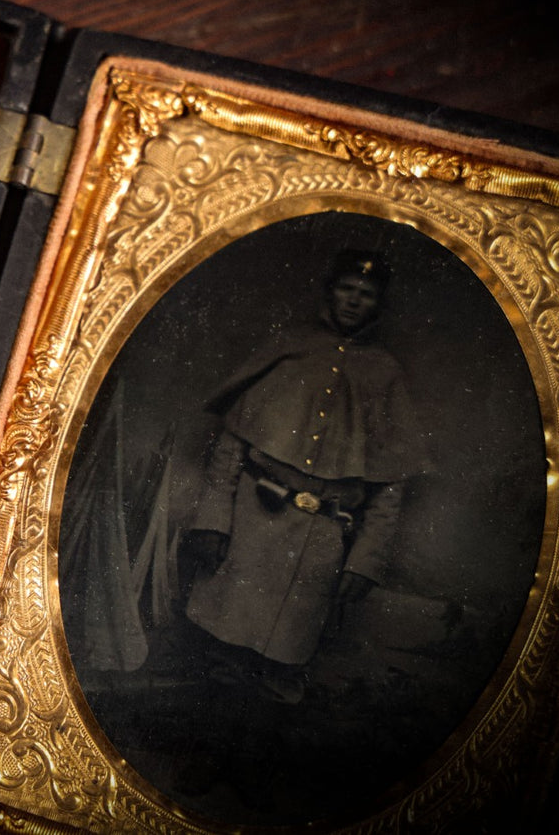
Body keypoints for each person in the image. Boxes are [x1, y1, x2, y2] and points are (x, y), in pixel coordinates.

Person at [168, 249, 426, 805]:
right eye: (347, 289)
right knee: (224, 653)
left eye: (367, 295)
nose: (355, 301)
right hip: (251, 527)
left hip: (318, 544)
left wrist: (365, 562)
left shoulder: (385, 373)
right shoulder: (290, 346)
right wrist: (213, 522)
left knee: (281, 666)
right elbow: (228, 454)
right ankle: (204, 756)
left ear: (378, 305)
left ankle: (250, 769)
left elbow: (389, 491)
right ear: (330, 292)